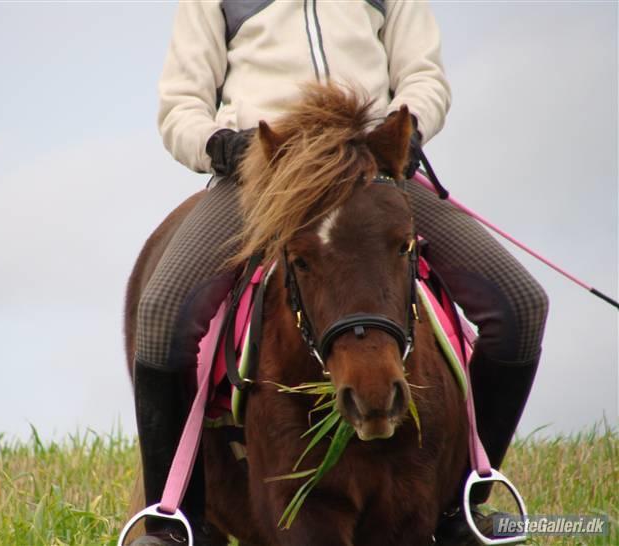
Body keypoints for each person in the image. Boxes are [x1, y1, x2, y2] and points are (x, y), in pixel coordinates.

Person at [132, 2, 549, 545]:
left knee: (521, 304)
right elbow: (181, 104)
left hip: (369, 170)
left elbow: (421, 75)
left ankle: (462, 506)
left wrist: (406, 129)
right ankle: (174, 523)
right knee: (163, 310)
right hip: (266, 177)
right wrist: (223, 146)